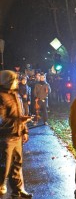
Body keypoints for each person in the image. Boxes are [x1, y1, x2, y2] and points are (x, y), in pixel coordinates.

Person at [0, 70, 33, 198]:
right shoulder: (1, 97)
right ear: (7, 81)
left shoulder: (15, 94)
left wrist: (24, 130)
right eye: (14, 79)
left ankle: (18, 190)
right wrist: (20, 120)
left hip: (17, 135)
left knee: (17, 164)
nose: (17, 82)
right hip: (6, 138)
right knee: (4, 167)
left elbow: (19, 114)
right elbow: (2, 120)